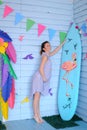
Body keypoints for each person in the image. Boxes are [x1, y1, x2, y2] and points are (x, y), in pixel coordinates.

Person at [31, 40, 65, 123]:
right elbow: (41, 68)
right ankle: (36, 115)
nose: (49, 47)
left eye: (49, 45)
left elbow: (56, 51)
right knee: (36, 97)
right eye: (47, 46)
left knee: (38, 98)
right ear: (44, 48)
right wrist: (44, 78)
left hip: (40, 78)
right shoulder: (45, 56)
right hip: (39, 78)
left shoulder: (48, 55)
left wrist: (63, 43)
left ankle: (38, 114)